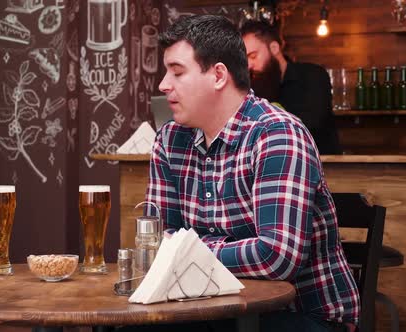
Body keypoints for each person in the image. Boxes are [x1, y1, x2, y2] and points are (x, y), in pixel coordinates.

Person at [144, 15, 359, 332]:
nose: (163, 84)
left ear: (218, 76)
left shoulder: (277, 134)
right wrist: (179, 251)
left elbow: (276, 256)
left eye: (177, 72)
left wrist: (188, 250)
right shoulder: (170, 140)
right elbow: (156, 245)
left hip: (301, 313)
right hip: (210, 308)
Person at [240, 20, 342, 155]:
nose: (249, 65)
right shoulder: (252, 88)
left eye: (253, 56)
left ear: (274, 48)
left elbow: (312, 125)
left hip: (323, 166)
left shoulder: (313, 75)